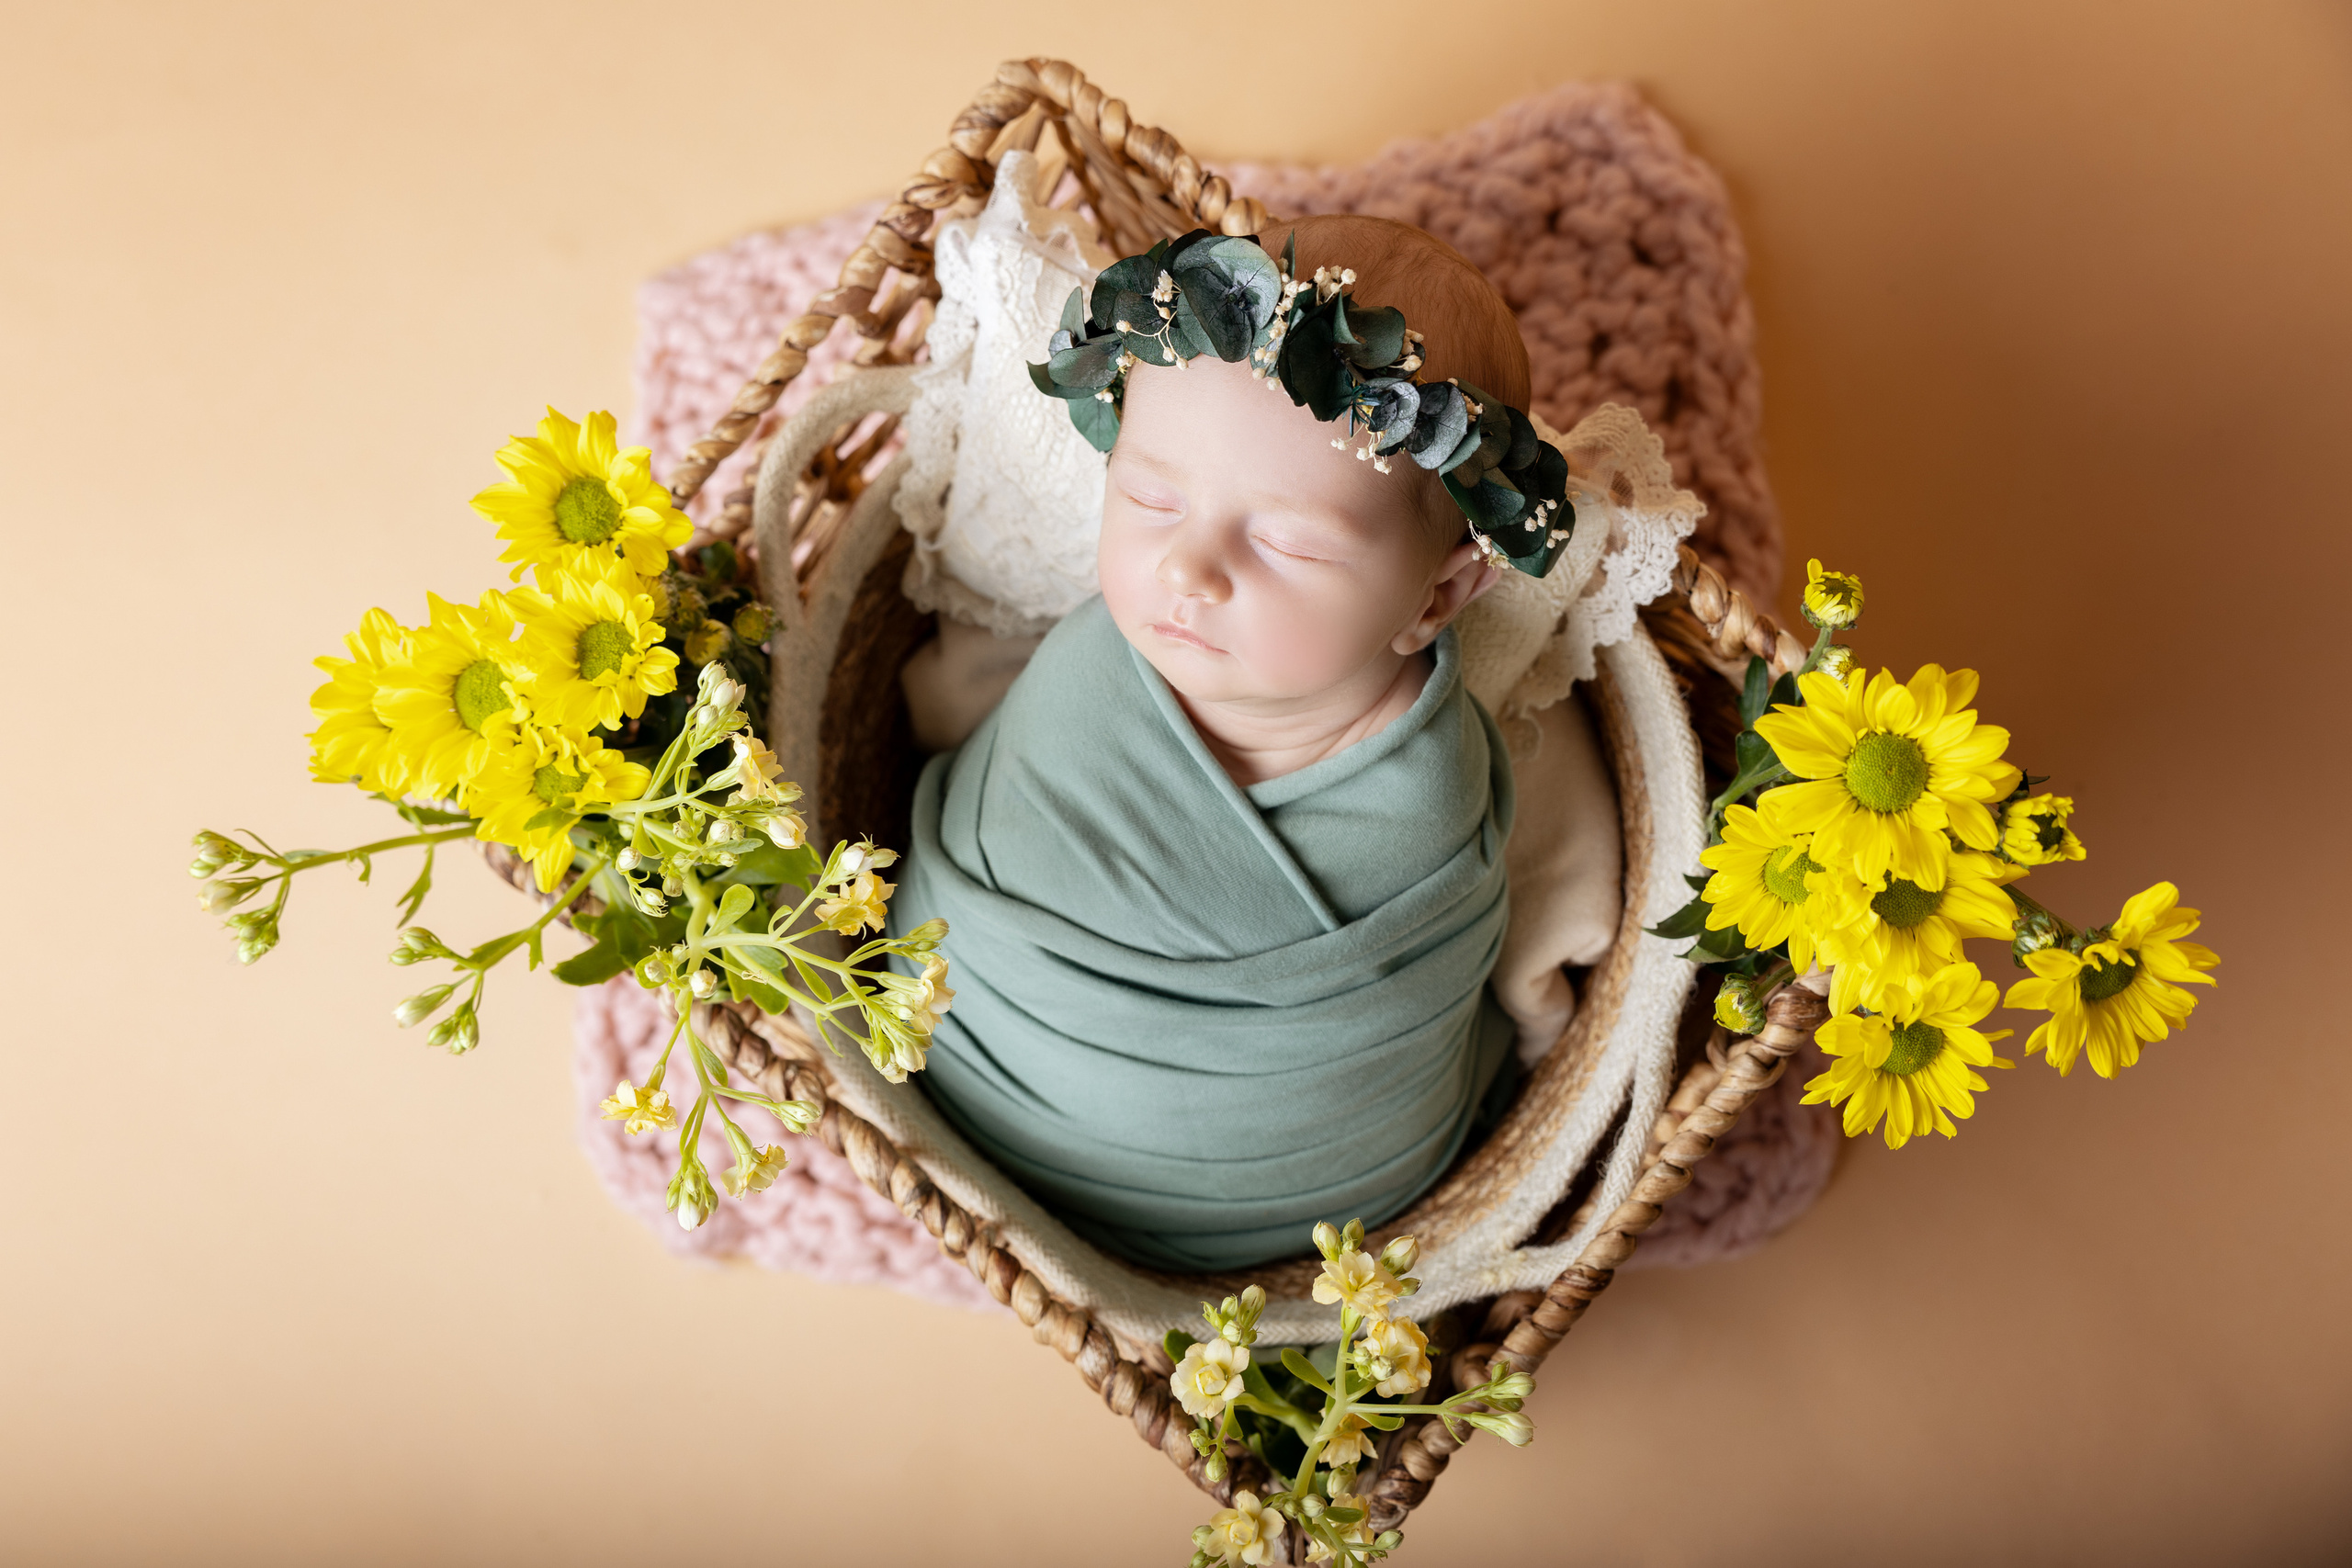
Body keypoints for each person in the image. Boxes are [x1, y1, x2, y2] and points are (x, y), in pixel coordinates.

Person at [889, 215, 1580, 1271]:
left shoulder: (1432, 802)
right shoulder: (1093, 660)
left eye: (1289, 541)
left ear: (1436, 597)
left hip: (1284, 1210)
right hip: (955, 1048)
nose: (1189, 570)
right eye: (1150, 497)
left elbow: (1403, 1013)